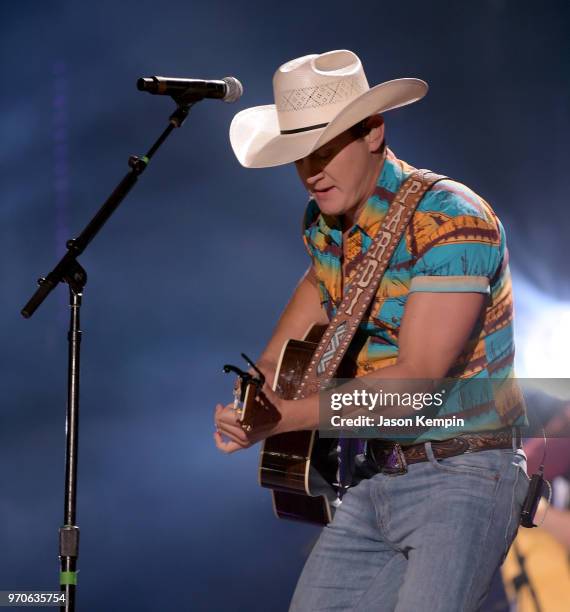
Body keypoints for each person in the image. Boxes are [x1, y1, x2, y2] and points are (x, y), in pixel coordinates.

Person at [214, 49, 530, 612]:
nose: (311, 171)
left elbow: (416, 384)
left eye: (326, 148)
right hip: (371, 476)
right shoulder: (324, 224)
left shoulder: (451, 219)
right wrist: (256, 397)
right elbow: (306, 313)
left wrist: (287, 417)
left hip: (462, 474)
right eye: (298, 155)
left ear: (374, 132)